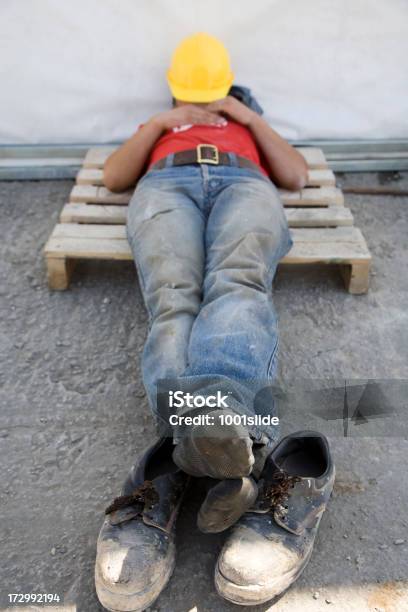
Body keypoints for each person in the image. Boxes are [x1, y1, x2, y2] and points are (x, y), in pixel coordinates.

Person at [95, 33, 334, 612]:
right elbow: (113, 176)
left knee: (238, 280)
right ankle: (227, 439)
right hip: (165, 183)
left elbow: (296, 176)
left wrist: (241, 114)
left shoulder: (246, 121)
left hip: (243, 182)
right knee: (174, 297)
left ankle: (204, 432)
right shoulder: (162, 123)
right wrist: (161, 123)